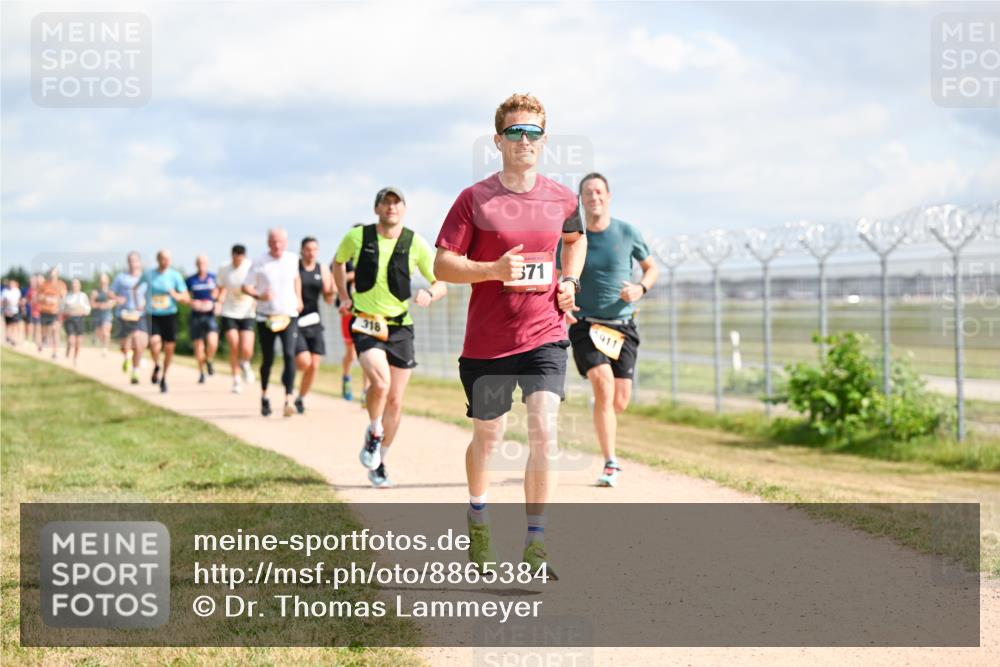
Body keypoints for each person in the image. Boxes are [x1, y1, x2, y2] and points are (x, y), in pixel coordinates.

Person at [433, 93, 586, 578]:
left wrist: (569, 281)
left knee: (544, 428)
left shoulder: (562, 197)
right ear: (498, 140)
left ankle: (536, 547)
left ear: (544, 140)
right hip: (488, 342)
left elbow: (575, 240)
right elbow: (443, 264)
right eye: (515, 132)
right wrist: (494, 269)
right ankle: (478, 514)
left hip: (545, 331)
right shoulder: (474, 198)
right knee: (489, 436)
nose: (525, 140)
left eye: (534, 132)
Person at [333, 188, 446, 488]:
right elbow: (337, 262)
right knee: (380, 383)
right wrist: (344, 296)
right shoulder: (358, 237)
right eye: (386, 202)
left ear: (404, 209)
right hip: (367, 323)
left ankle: (380, 461)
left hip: (400, 327)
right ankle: (373, 430)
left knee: (395, 401)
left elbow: (440, 281)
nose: (391, 207)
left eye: (396, 203)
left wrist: (430, 293)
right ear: (376, 208)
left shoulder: (415, 242)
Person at [561, 173, 658, 487]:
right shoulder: (575, 235)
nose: (594, 198)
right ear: (581, 199)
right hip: (586, 323)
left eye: (599, 192)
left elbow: (651, 268)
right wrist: (563, 303)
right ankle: (610, 463)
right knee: (602, 385)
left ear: (609, 196)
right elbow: (560, 272)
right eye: (588, 193)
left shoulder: (627, 232)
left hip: (622, 326)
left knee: (619, 401)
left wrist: (641, 289)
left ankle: (601, 411)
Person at [243, 228, 302, 417]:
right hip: (266, 316)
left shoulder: (292, 259)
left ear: (285, 242)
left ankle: (289, 399)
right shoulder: (259, 261)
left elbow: (296, 279)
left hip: (288, 314)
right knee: (268, 359)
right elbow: (246, 286)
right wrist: (259, 295)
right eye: (273, 242)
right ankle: (265, 395)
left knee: (289, 354)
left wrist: (298, 298)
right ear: (268, 242)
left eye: (280, 242)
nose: (277, 245)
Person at [293, 237, 334, 414]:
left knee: (314, 365)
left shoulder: (322, 268)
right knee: (304, 362)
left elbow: (328, 297)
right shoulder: (294, 267)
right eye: (308, 249)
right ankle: (290, 371)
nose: (311, 253)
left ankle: (300, 398)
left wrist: (333, 287)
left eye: (315, 249)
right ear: (302, 250)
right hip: (295, 320)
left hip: (314, 321)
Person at [141, 250, 189, 393]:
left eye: (168, 259)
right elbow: (137, 288)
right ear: (158, 259)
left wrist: (176, 295)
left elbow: (186, 298)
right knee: (155, 342)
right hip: (153, 314)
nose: (166, 261)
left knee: (169, 348)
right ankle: (156, 364)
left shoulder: (175, 276)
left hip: (169, 315)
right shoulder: (149, 274)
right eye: (163, 259)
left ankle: (164, 378)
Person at [218, 244, 257, 393]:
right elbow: (221, 288)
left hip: (246, 312)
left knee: (247, 348)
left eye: (241, 256)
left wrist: (255, 301)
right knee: (234, 344)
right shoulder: (224, 269)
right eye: (236, 255)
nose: (238, 258)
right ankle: (236, 380)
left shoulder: (250, 267)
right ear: (232, 255)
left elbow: (256, 286)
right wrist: (218, 303)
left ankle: (245, 363)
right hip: (229, 311)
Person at [334, 223, 364, 402]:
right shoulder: (344, 256)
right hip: (348, 311)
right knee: (352, 353)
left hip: (367, 311)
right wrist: (354, 276)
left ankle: (367, 392)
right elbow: (338, 275)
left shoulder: (372, 255)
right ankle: (346, 378)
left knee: (368, 353)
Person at [111, 252, 149, 385]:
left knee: (139, 343)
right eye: (131, 261)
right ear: (128, 263)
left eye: (135, 260)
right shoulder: (121, 278)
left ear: (139, 262)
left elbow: (151, 293)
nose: (133, 263)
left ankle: (135, 371)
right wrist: (117, 298)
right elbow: (111, 292)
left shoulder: (145, 278)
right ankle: (127, 356)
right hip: (124, 314)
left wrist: (146, 304)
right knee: (124, 346)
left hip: (140, 315)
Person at [186, 255, 221, 384]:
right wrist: (192, 302)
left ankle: (209, 360)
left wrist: (216, 302)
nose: (202, 265)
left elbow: (220, 292)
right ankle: (201, 372)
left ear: (207, 264)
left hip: (209, 315)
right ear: (196, 264)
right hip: (196, 316)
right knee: (199, 347)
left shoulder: (213, 278)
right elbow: (185, 296)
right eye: (199, 263)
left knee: (213, 342)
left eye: (204, 263)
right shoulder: (190, 280)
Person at [37, 268, 67, 360]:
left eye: (54, 274)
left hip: (56, 312)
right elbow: (39, 297)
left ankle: (55, 352)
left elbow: (64, 296)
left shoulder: (61, 284)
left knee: (55, 330)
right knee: (44, 331)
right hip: (45, 311)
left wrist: (58, 299)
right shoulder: (44, 284)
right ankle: (43, 339)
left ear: (57, 275)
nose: (52, 276)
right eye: (51, 274)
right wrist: (46, 298)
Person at [62, 278, 91, 365]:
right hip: (69, 320)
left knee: (78, 341)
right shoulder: (67, 296)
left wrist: (83, 312)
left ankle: (75, 358)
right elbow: (62, 308)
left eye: (76, 284)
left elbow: (88, 309)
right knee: (71, 340)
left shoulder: (83, 296)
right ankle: (68, 348)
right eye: (73, 284)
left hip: (79, 319)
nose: (74, 286)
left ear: (79, 286)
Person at [90, 273, 115, 356]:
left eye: (104, 281)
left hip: (107, 314)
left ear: (107, 281)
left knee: (106, 332)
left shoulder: (110, 292)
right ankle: (99, 341)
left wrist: (109, 304)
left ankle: (105, 348)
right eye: (101, 281)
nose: (103, 283)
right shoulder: (95, 292)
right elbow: (92, 304)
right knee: (98, 333)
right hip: (97, 315)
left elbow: (114, 301)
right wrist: (100, 305)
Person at [2, 279, 21, 346]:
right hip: (7, 311)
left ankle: (12, 338)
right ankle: (7, 336)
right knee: (8, 325)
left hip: (14, 311)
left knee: (14, 324)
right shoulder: (5, 291)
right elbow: (2, 301)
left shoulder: (17, 291)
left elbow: (18, 301)